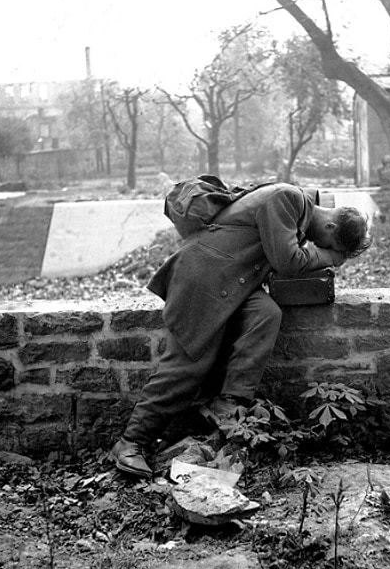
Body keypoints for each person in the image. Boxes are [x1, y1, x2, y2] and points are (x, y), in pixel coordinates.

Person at [110, 182, 370, 478]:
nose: (320, 249)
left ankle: (228, 402)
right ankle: (131, 442)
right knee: (188, 365)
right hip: (204, 278)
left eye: (326, 251)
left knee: (266, 313)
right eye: (328, 245)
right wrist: (328, 259)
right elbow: (287, 262)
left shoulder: (296, 212)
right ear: (332, 225)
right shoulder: (287, 199)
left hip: (233, 282)